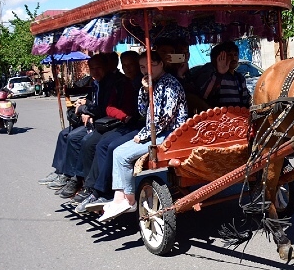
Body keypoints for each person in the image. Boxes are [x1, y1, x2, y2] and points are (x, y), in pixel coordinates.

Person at [98, 49, 188, 222]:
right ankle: (119, 198)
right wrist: (146, 90)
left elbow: (164, 118)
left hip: (171, 135)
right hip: (157, 132)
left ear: (160, 64)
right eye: (142, 67)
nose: (146, 70)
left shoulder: (170, 84)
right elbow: (142, 111)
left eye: (150, 65)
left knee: (122, 155)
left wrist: (144, 134)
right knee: (117, 151)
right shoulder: (153, 83)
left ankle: (129, 199)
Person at [58, 53, 140, 203]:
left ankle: (98, 189)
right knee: (78, 138)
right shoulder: (119, 83)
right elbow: (109, 107)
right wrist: (85, 108)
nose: (127, 68)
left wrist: (124, 116)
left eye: (131, 65)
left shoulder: (133, 83)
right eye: (125, 65)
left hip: (129, 125)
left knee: (99, 144)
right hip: (114, 121)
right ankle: (78, 180)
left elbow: (127, 111)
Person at [41, 55, 114, 188]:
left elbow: (101, 108)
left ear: (105, 68)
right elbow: (91, 101)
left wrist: (84, 109)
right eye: (93, 69)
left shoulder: (109, 84)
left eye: (99, 68)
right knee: (63, 134)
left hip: (101, 122)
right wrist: (82, 102)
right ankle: (60, 171)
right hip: (92, 118)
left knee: (74, 138)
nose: (96, 71)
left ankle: (73, 176)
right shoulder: (95, 83)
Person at [191, 42, 250, 110]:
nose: (233, 58)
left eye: (235, 55)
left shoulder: (240, 78)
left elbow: (246, 100)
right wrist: (220, 74)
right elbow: (205, 95)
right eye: (229, 55)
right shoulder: (212, 75)